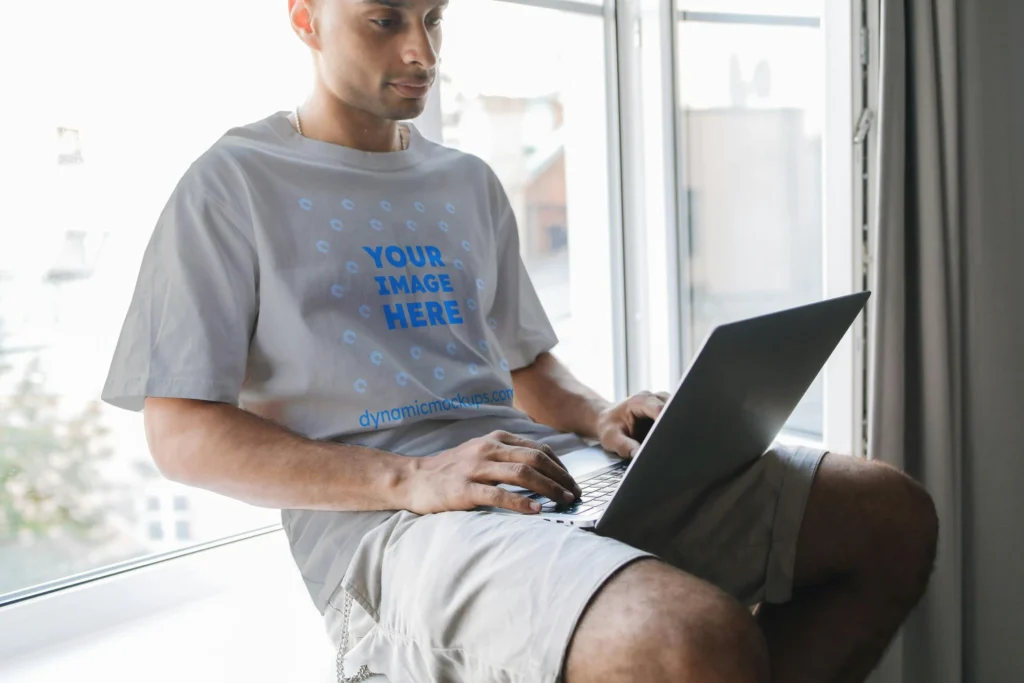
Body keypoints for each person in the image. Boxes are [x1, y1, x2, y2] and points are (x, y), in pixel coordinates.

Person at [100, 1, 939, 681]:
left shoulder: (463, 180)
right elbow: (182, 433)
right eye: (385, 20)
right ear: (305, 18)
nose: (421, 50)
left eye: (435, 18)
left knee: (886, 515)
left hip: (536, 472)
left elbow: (525, 364)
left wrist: (597, 414)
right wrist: (414, 476)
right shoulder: (233, 184)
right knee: (694, 640)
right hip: (387, 530)